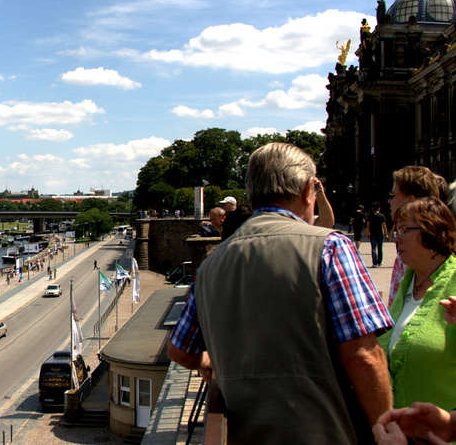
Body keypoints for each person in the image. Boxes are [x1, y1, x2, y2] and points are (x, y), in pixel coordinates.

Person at [165, 142, 393, 443]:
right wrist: (385, 428)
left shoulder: (210, 265)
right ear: (308, 190)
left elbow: (180, 351)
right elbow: (363, 356)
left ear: (252, 195)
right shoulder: (330, 246)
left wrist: (208, 362)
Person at [383, 197, 456, 410]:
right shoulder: (409, 279)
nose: (396, 239)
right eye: (397, 230)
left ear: (431, 230)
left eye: (405, 230)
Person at [387, 167, 451, 303]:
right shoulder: (404, 257)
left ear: (411, 200)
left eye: (393, 196)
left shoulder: (449, 267)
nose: (389, 201)